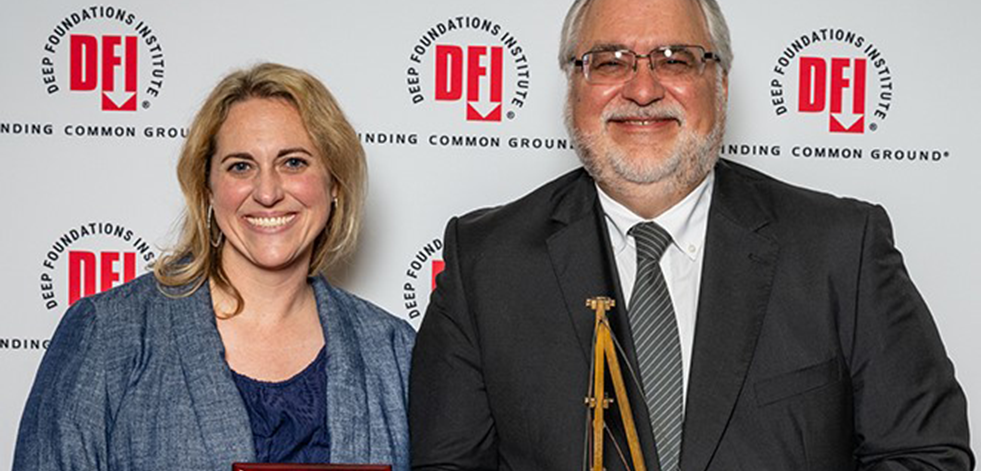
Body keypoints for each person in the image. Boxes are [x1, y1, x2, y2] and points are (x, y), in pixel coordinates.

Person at [409, 0, 973, 470]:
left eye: (675, 59)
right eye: (609, 62)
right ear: (572, 88)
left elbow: (925, 455)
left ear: (720, 84)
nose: (643, 88)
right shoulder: (484, 262)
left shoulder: (840, 248)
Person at [14, 63, 414, 471]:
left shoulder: (393, 350)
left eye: (293, 162)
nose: (268, 192)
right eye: (241, 166)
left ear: (334, 184)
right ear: (207, 189)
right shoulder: (110, 333)